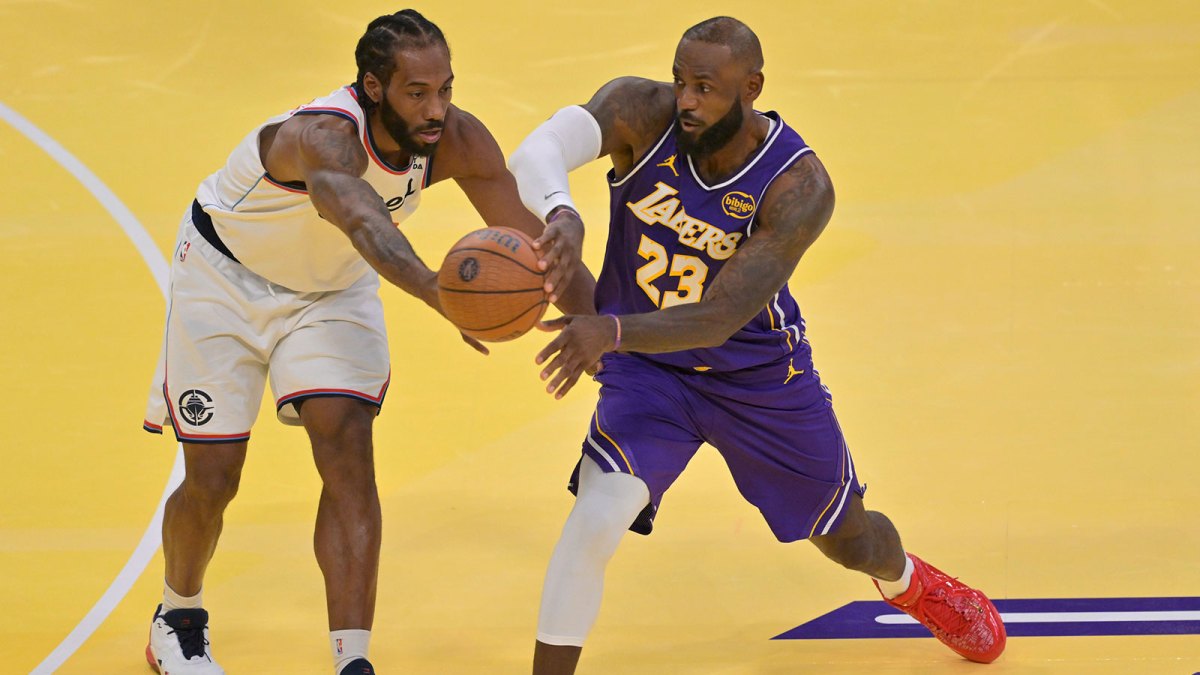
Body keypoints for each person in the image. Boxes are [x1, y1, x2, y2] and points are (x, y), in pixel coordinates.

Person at [509, 16, 1006, 673]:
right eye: (681, 81)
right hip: (650, 372)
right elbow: (534, 152)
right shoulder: (640, 110)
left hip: (756, 376)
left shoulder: (798, 186)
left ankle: (909, 581)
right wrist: (562, 212)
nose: (686, 100)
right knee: (595, 521)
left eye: (705, 87)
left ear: (751, 88)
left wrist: (611, 330)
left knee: (850, 539)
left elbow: (720, 316)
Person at [140, 10, 592, 675]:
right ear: (374, 88)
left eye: (445, 88)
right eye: (418, 92)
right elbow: (362, 222)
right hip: (225, 279)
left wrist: (609, 330)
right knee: (214, 477)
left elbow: (536, 243)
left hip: (331, 289)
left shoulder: (457, 138)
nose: (436, 108)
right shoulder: (323, 139)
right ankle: (177, 618)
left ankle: (353, 659)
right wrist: (435, 291)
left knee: (348, 444)